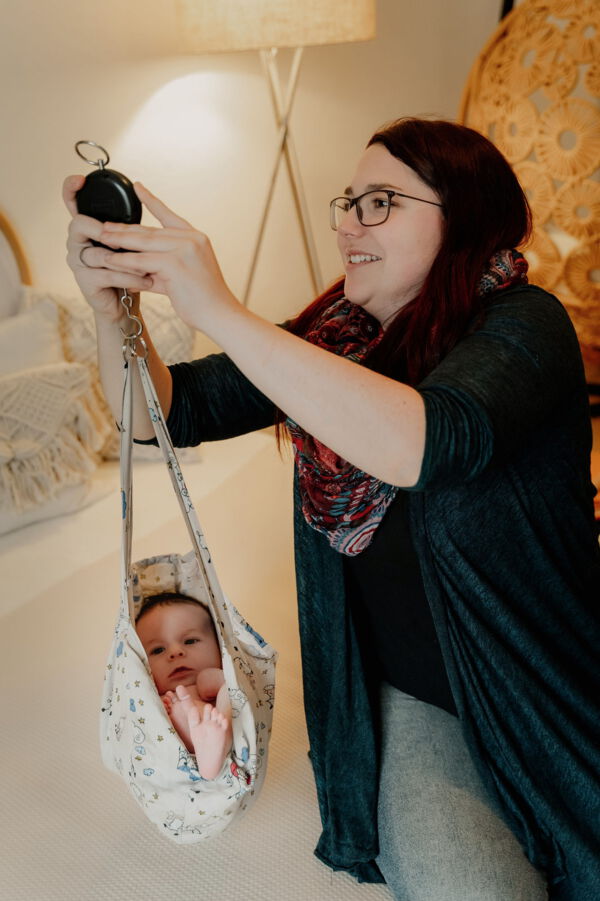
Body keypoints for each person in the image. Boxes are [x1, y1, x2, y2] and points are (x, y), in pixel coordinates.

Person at [64, 117, 600, 901]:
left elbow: (428, 442)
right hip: (420, 702)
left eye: (381, 201)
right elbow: (160, 413)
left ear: (464, 218)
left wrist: (220, 309)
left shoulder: (527, 324)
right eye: (349, 202)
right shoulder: (334, 342)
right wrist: (115, 313)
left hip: (541, 681)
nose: (349, 223)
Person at [135, 592, 232, 780]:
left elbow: (234, 695)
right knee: (176, 710)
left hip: (221, 731)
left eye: (190, 641)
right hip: (175, 762)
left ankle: (214, 746)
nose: (175, 652)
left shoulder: (218, 678)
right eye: (158, 650)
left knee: (231, 692)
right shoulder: (151, 697)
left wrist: (215, 680)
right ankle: (206, 750)